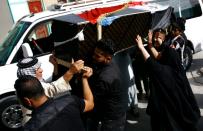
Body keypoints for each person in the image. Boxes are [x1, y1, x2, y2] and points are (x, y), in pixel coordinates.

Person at [135, 29, 201, 131]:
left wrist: (141, 47)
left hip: (169, 110)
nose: (156, 39)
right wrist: (150, 43)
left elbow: (153, 64)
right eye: (155, 37)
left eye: (159, 37)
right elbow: (157, 56)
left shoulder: (167, 69)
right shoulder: (170, 61)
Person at [14, 64, 94, 131]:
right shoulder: (70, 100)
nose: (41, 70)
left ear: (27, 101)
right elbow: (90, 104)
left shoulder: (31, 128)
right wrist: (85, 79)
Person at [17, 56, 85, 124]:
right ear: (30, 73)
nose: (41, 70)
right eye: (37, 69)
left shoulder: (25, 82)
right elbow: (53, 88)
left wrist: (55, 65)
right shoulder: (29, 87)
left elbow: (50, 84)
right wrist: (71, 71)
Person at [87, 39, 128, 131]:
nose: (93, 57)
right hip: (116, 113)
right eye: (94, 54)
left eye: (97, 56)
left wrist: (84, 79)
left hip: (112, 119)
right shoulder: (111, 61)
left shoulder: (106, 78)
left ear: (108, 58)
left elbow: (90, 100)